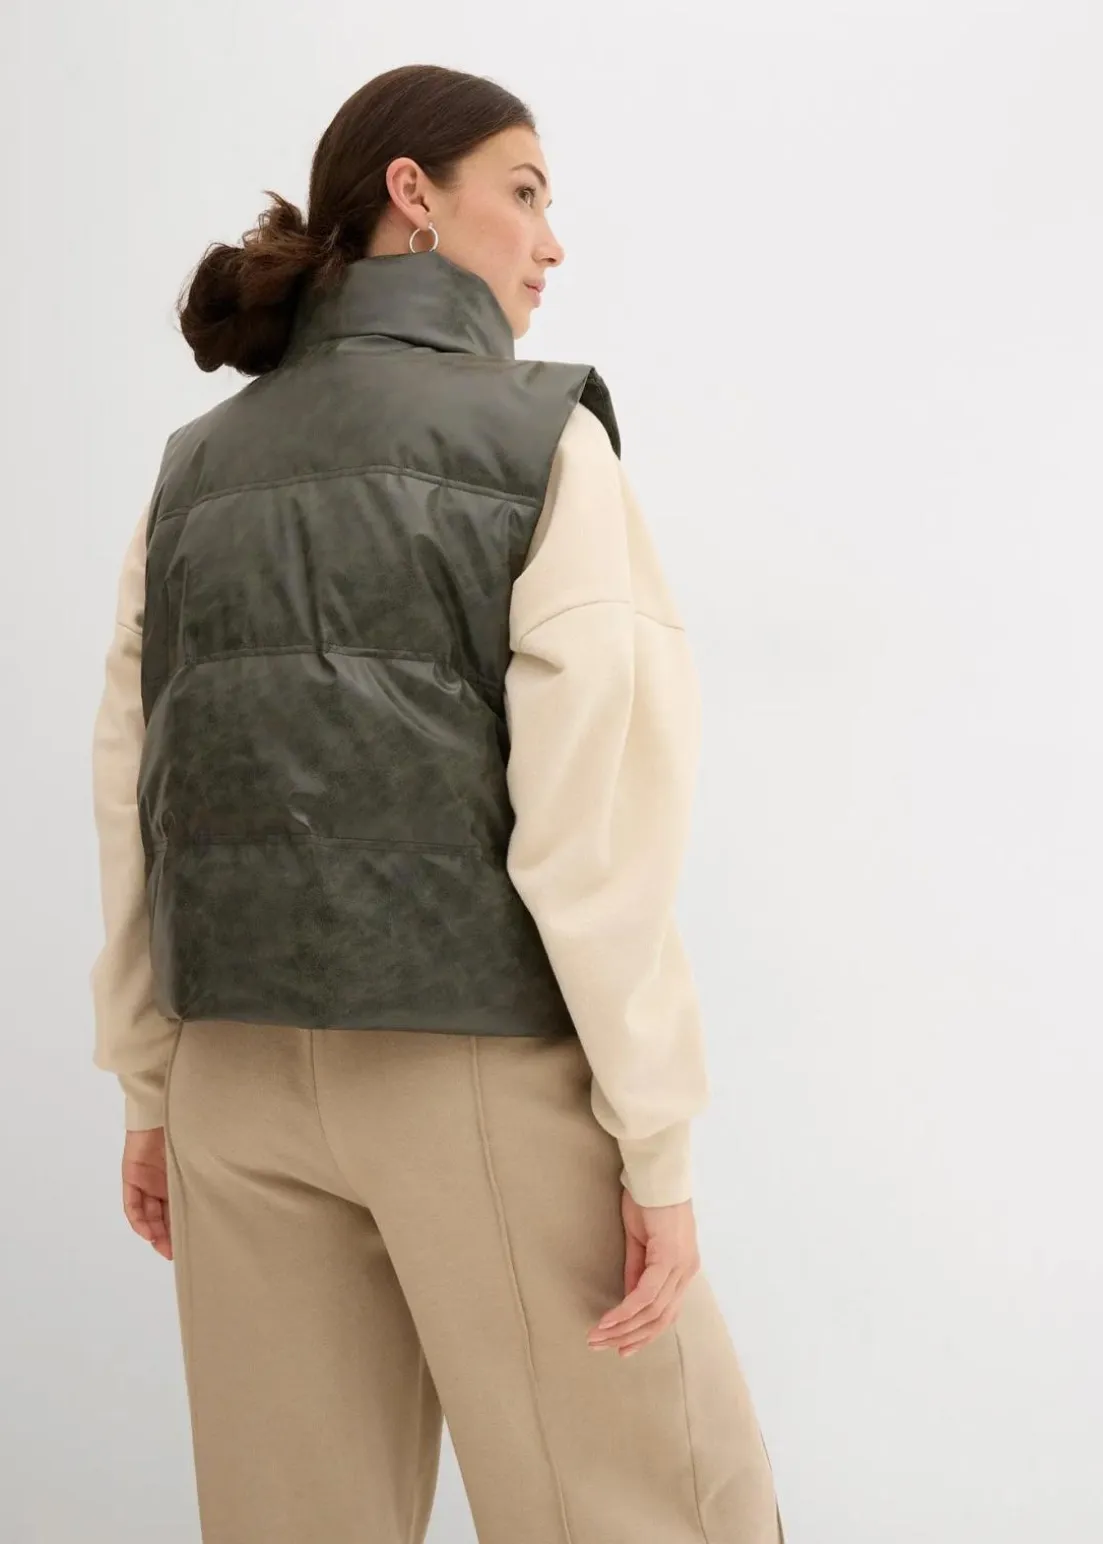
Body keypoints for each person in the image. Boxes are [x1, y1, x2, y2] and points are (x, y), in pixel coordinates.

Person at [89, 62, 785, 1544]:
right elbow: (595, 846)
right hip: (479, 1081)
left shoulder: (194, 470)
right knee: (646, 1512)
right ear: (413, 193)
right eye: (523, 193)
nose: (550, 243)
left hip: (231, 1084)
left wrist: (152, 1088)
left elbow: (137, 800)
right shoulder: (537, 440)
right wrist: (653, 1148)